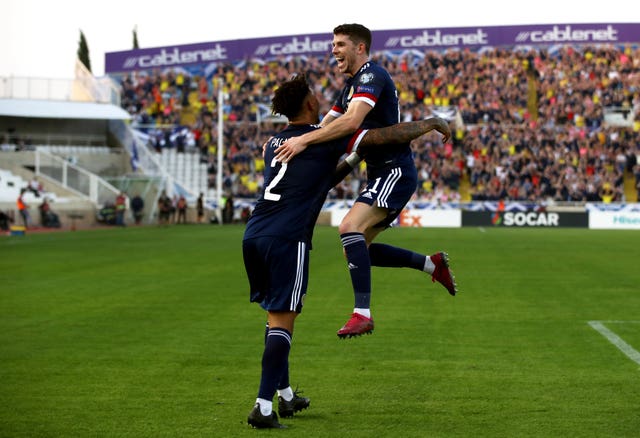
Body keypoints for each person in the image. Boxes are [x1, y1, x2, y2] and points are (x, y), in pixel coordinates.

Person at [244, 74, 451, 429]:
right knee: (282, 320)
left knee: (274, 315)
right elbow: (382, 136)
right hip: (287, 239)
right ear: (309, 105)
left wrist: (355, 160)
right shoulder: (324, 141)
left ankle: (286, 395)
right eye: (314, 96)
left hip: (255, 235)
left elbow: (322, 178)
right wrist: (427, 124)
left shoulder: (273, 144)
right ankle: (263, 406)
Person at [275, 24, 458, 339]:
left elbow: (351, 121)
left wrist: (304, 144)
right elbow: (322, 127)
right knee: (357, 249)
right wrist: (293, 139)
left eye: (341, 44)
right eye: (333, 44)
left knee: (348, 228)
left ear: (360, 48)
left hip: (394, 170)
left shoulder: (372, 76)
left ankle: (362, 314)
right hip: (379, 172)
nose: (334, 50)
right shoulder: (348, 88)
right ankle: (431, 264)